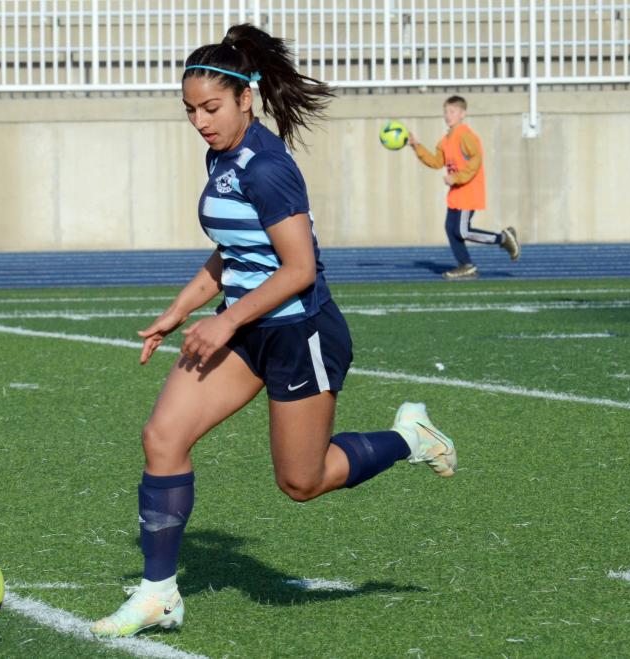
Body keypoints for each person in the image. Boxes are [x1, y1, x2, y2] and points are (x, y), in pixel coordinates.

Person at [90, 24, 458, 639]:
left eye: (211, 108)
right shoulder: (221, 156)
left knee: (301, 481)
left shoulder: (268, 168)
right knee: (163, 437)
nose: (201, 122)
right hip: (246, 329)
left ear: (244, 99)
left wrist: (226, 318)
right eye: (190, 111)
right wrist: (181, 308)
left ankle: (409, 437)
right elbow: (233, 252)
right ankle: (159, 595)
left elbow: (299, 269)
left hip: (297, 334)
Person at [408, 95, 520, 280]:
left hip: (469, 191)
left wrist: (457, 178)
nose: (447, 115)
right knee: (450, 228)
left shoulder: (465, 135)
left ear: (462, 114)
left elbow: (475, 161)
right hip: (456, 194)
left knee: (462, 231)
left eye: (452, 112)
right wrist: (416, 146)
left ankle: (504, 239)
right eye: (445, 111)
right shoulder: (445, 140)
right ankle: (466, 265)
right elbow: (436, 162)